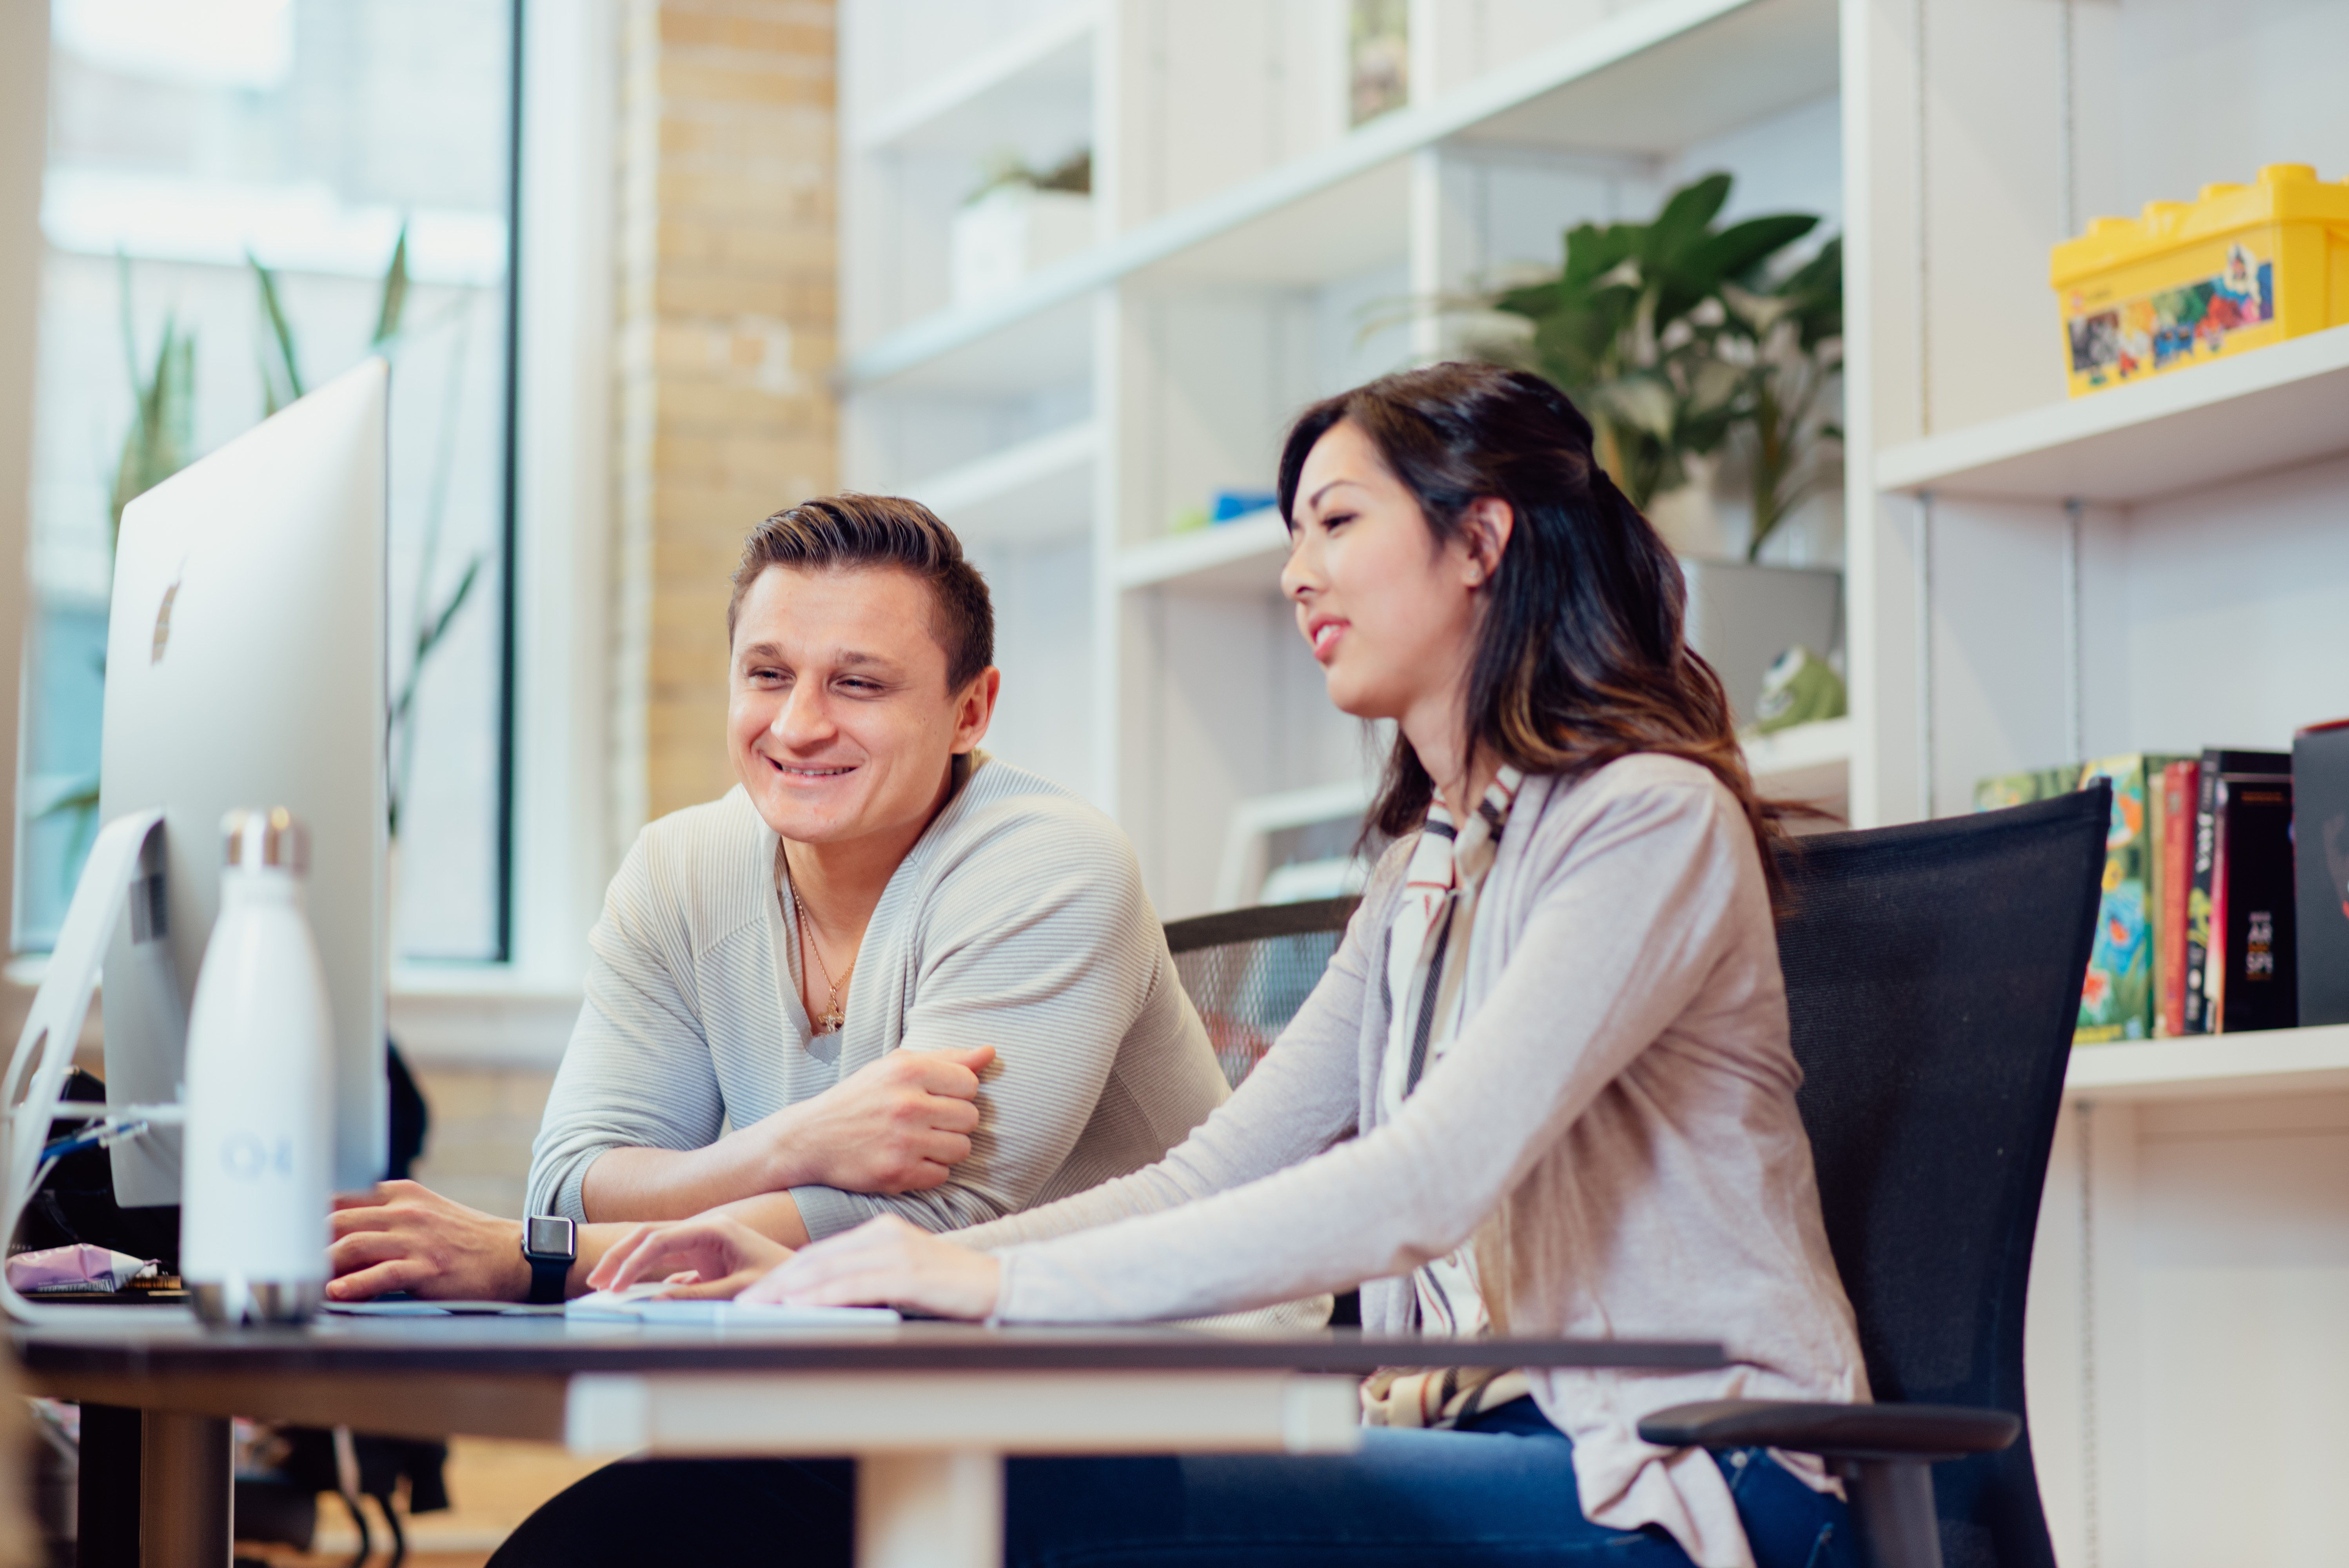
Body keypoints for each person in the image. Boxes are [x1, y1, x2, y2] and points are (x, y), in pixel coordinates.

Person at [495, 363, 1871, 1568]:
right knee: (718, 1517)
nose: (1296, 572)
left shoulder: (1647, 820)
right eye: (1295, 537)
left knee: (1013, 1511)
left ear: (1479, 542)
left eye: (1337, 523)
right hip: (1506, 1439)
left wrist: (980, 1277)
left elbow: (1423, 1185)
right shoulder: (1428, 868)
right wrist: (881, 1269)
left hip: (1693, 1476)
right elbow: (1210, 1174)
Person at [328, 494, 1237, 1303]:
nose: (797, 725)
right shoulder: (679, 869)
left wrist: (528, 1260)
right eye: (768, 674)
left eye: (858, 682)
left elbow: (934, 1220)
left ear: (970, 711)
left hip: (1169, 1378)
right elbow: (572, 1182)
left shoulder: (1050, 865)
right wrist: (796, 1142)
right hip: (883, 1375)